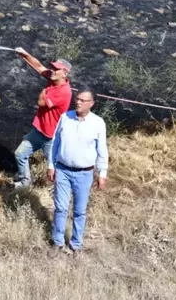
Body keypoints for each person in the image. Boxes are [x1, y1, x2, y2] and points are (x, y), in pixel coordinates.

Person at [46, 87, 108, 257]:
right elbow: (55, 143)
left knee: (80, 211)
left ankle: (76, 244)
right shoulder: (65, 117)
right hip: (63, 170)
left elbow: (102, 150)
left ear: (92, 103)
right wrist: (51, 165)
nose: (78, 102)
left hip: (84, 173)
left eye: (83, 100)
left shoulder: (98, 123)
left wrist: (102, 174)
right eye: (77, 99)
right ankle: (58, 242)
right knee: (60, 208)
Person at [12, 47, 73, 189]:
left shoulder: (63, 93)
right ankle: (25, 183)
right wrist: (25, 54)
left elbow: (40, 102)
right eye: (53, 67)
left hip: (50, 137)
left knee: (56, 165)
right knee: (20, 154)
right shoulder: (54, 80)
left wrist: (44, 91)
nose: (52, 70)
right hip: (39, 130)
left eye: (57, 69)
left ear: (64, 73)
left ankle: (64, 187)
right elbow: (38, 66)